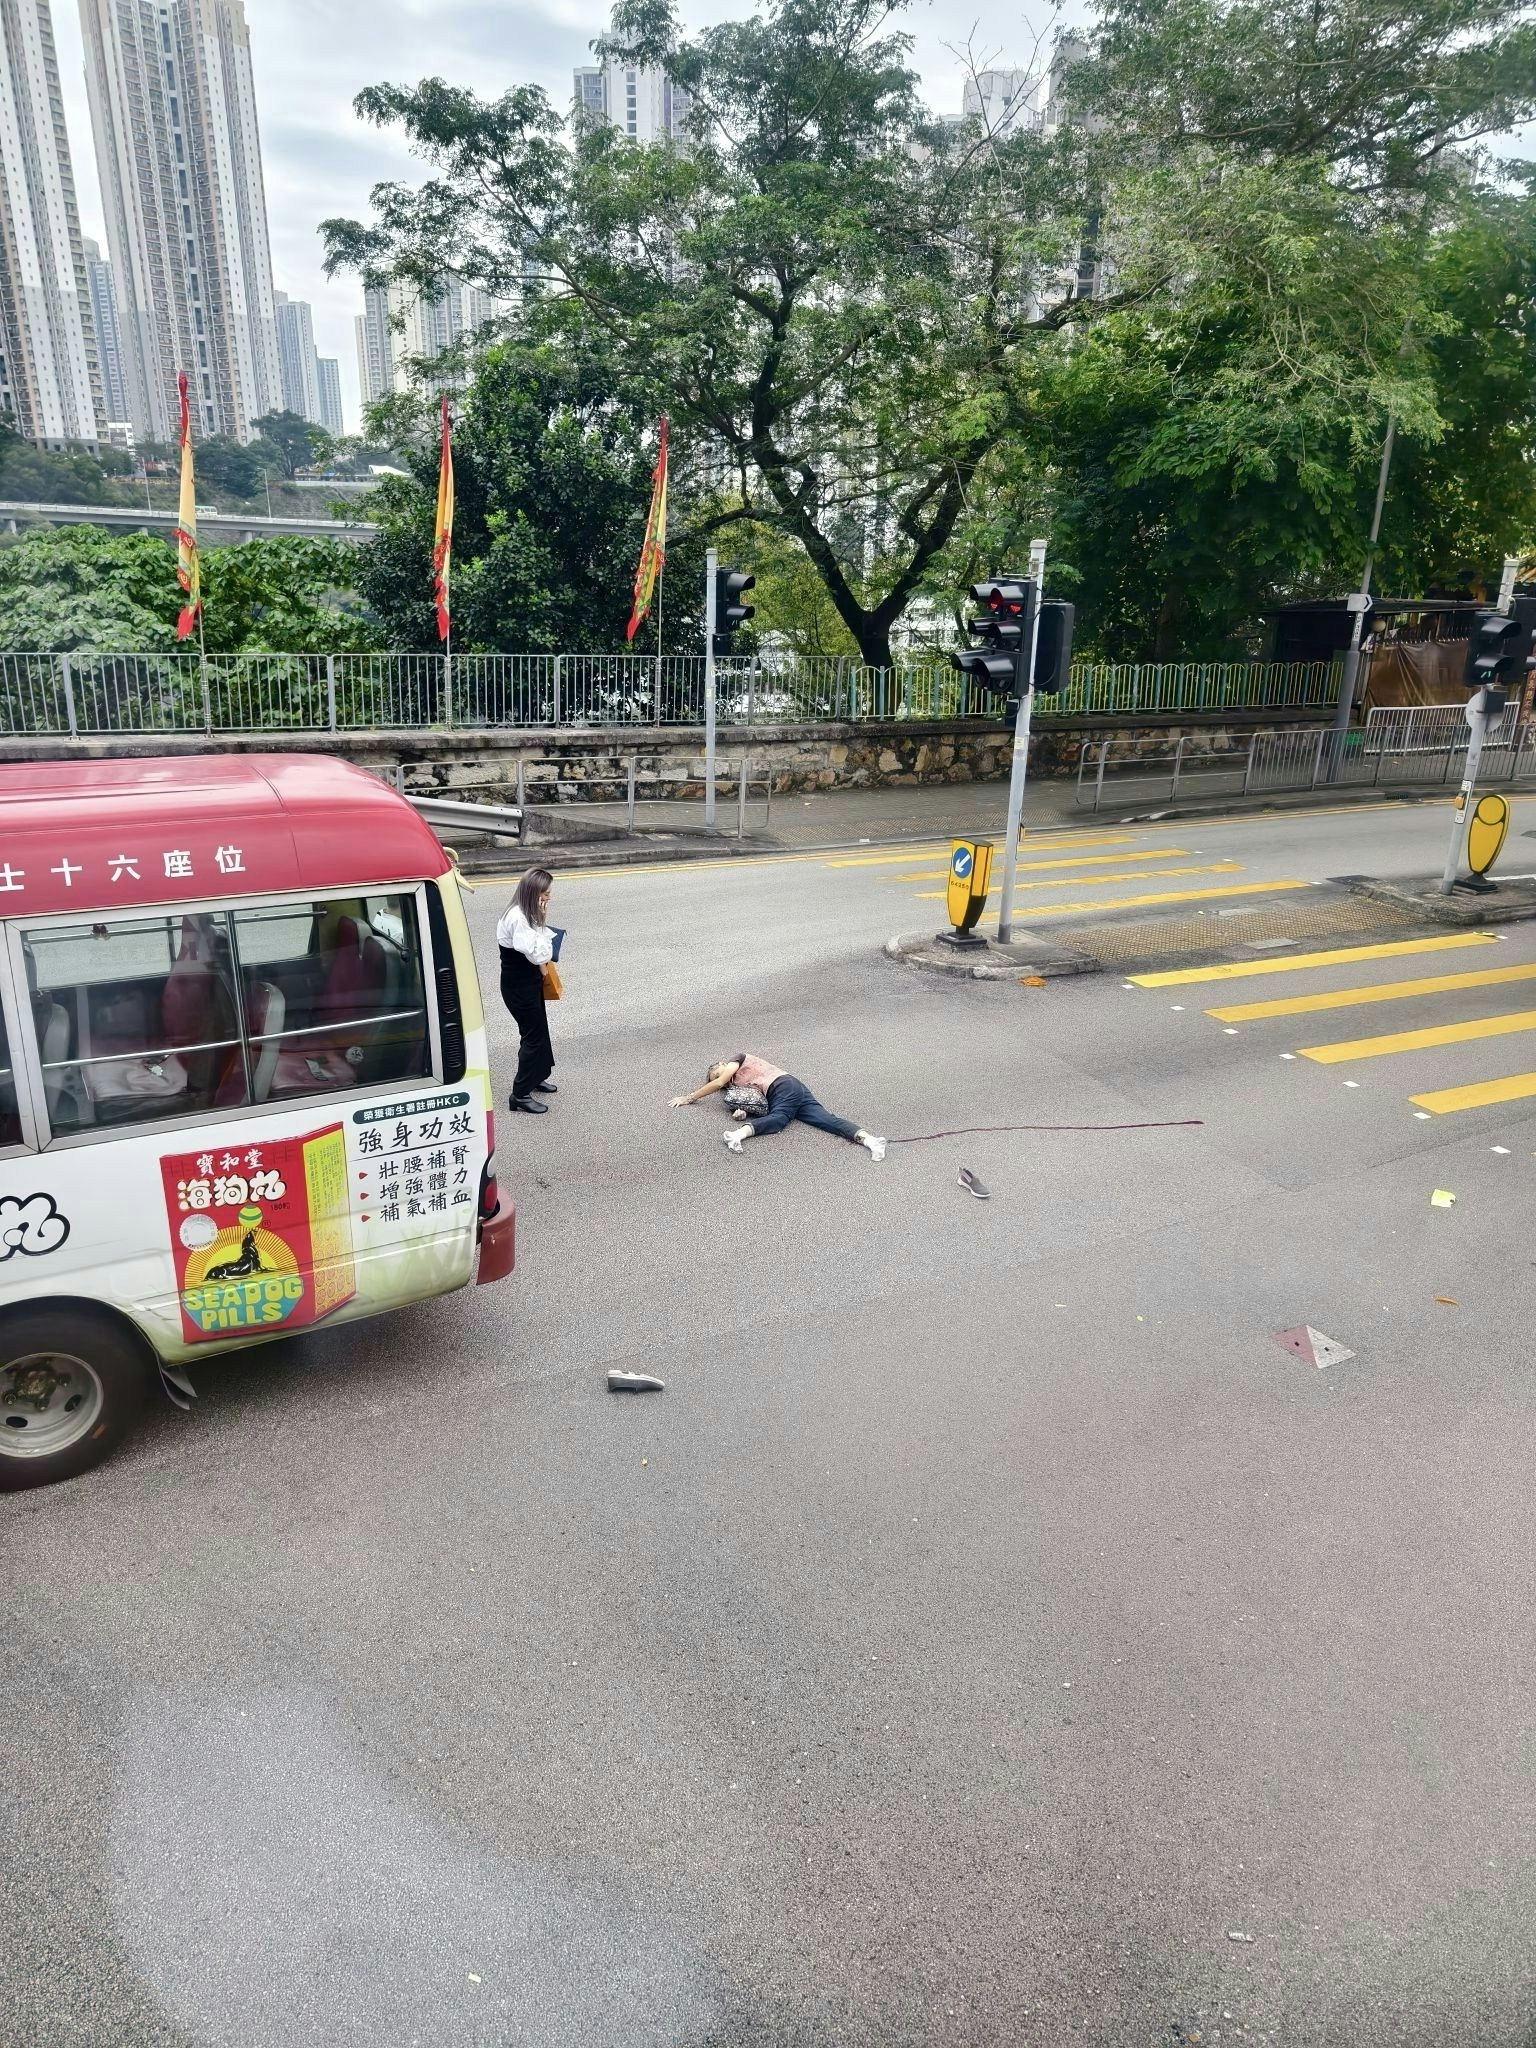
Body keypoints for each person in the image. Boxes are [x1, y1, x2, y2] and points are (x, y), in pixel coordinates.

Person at [670, 1052, 886, 1159]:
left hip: (782, 1084)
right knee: (827, 1120)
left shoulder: (739, 1058)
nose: (723, 1080)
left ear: (723, 1064)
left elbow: (718, 1082)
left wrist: (689, 1098)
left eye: (719, 1073)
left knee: (779, 1119)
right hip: (793, 1089)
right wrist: (742, 1112)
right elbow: (757, 1102)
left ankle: (736, 1136)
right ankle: (870, 1140)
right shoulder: (735, 1086)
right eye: (720, 1080)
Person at [497, 867, 559, 1113]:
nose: (548, 897)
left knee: (539, 1032)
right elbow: (540, 954)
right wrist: (544, 926)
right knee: (533, 1038)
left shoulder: (526, 911)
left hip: (527, 983)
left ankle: (535, 1078)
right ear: (533, 892)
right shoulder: (517, 918)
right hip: (518, 987)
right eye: (545, 892)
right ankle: (519, 1094)